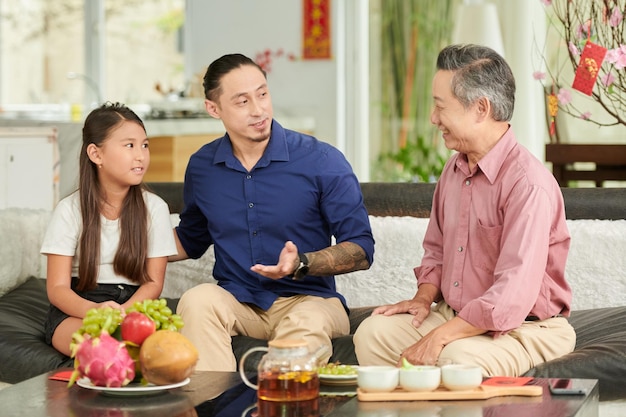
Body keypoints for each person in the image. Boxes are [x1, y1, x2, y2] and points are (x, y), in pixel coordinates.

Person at [354, 44, 575, 377]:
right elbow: (437, 251)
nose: (433, 118)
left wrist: (439, 337)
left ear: (480, 108)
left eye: (441, 106)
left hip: (525, 328)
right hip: (456, 316)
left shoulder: (528, 185)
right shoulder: (453, 170)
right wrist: (423, 298)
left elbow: (511, 298)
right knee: (372, 335)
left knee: (457, 360)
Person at [169, 53, 375, 371]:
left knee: (305, 320)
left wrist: (303, 262)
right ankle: (215, 404)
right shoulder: (202, 167)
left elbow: (361, 249)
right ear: (214, 109)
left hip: (311, 302)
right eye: (242, 101)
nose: (258, 109)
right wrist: (115, 248)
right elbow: (191, 239)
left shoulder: (321, 160)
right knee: (197, 300)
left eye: (262, 94)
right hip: (240, 302)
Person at [41, 102, 178, 356]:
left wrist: (124, 314)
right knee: (103, 353)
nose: (140, 155)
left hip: (137, 304)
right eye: (129, 145)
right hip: (79, 307)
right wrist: (97, 312)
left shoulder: (155, 208)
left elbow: (153, 283)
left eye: (144, 145)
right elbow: (57, 289)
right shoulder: (69, 210)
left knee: (155, 355)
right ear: (96, 154)